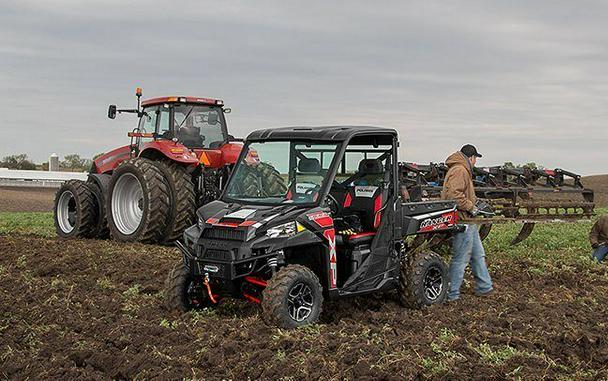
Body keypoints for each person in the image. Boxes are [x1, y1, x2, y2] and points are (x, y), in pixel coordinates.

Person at [441, 144, 493, 301]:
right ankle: (451, 293)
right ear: (471, 157)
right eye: (475, 158)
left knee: (478, 254)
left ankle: (484, 287)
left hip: (469, 220)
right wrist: (471, 207)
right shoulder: (460, 170)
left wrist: (476, 203)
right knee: (460, 258)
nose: (475, 161)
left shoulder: (461, 169)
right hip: (463, 220)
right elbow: (453, 196)